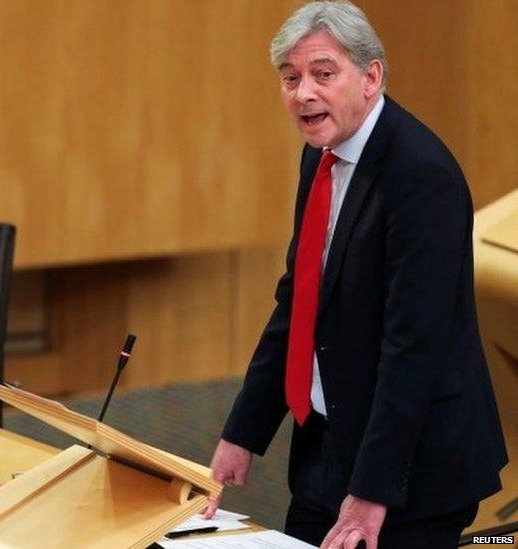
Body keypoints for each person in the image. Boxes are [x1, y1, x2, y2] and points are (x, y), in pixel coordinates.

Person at [205, 2, 507, 548]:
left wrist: (373, 493)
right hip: (328, 441)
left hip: (412, 468)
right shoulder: (320, 154)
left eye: (324, 74)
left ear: (371, 77)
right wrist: (242, 433)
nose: (303, 93)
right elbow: (298, 302)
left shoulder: (422, 176)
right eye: (290, 78)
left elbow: (414, 347)